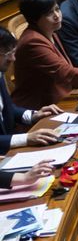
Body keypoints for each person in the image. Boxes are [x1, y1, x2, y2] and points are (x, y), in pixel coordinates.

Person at [0, 29, 61, 182]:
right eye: (7, 54)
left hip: (9, 156)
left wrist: (33, 115)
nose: (13, 58)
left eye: (13, 52)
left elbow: (6, 109)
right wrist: (26, 138)